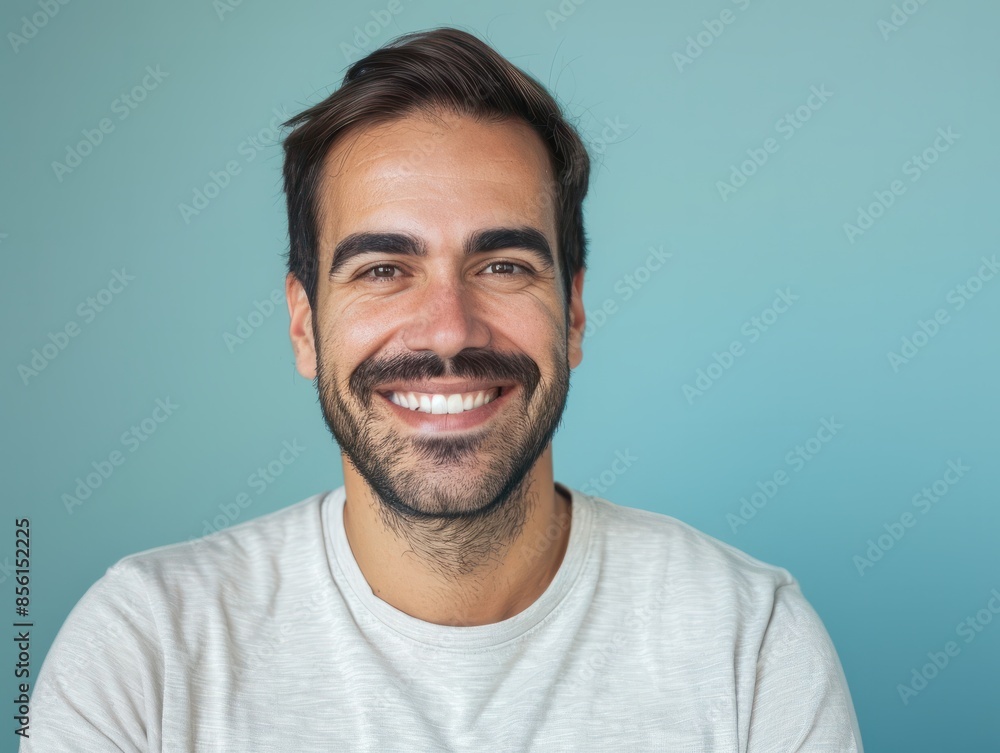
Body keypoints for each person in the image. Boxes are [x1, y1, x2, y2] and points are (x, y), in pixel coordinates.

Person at [25, 27, 864, 751]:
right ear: (303, 327)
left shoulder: (748, 643)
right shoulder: (143, 651)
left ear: (572, 311)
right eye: (384, 269)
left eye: (502, 265)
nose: (450, 330)